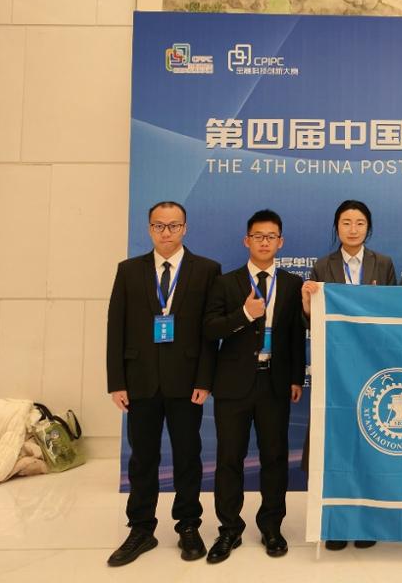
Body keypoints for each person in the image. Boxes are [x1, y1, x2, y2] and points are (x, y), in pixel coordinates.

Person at [105, 201, 220, 566]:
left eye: (173, 226)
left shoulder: (207, 270)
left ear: (185, 228)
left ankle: (188, 525)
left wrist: (204, 379)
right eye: (159, 226)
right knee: (142, 458)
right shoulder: (129, 270)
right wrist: (116, 381)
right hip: (139, 381)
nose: (166, 232)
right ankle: (141, 529)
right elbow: (115, 327)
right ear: (149, 228)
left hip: (187, 383)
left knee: (187, 457)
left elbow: (209, 333)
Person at [203, 209, 306, 563]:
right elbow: (210, 329)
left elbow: (296, 336)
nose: (264, 242)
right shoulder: (226, 282)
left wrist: (295, 377)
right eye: (258, 236)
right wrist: (245, 314)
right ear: (247, 240)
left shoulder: (291, 284)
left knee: (274, 458)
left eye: (271, 236)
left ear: (281, 242)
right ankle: (229, 529)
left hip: (274, 383)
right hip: (233, 385)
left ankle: (271, 527)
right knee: (229, 458)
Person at [300, 199, 395, 551]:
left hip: (372, 365)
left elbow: (392, 314)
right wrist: (308, 305)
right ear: (336, 227)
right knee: (338, 444)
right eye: (346, 223)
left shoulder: (383, 264)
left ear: (368, 228)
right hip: (336, 368)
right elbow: (314, 320)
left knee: (369, 442)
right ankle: (337, 523)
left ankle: (366, 521)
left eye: (359, 223)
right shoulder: (322, 265)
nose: (353, 229)